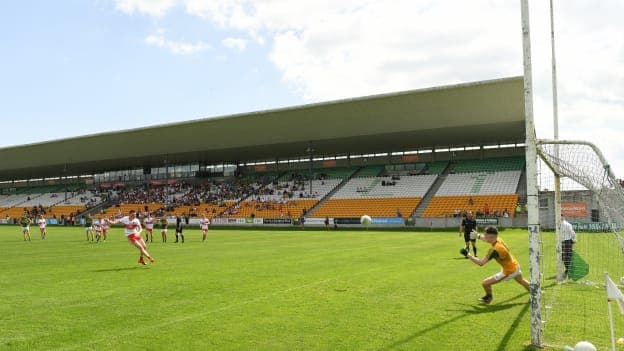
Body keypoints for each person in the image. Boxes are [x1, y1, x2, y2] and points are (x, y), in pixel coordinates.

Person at [462, 226, 530, 304]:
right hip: (514, 264)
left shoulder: (495, 250)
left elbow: (481, 263)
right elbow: (487, 240)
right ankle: (536, 294)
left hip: (509, 271)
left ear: (491, 236)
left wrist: (468, 255)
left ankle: (489, 297)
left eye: (486, 235)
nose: (484, 236)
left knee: (485, 283)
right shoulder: (498, 240)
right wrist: (478, 236)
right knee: (521, 280)